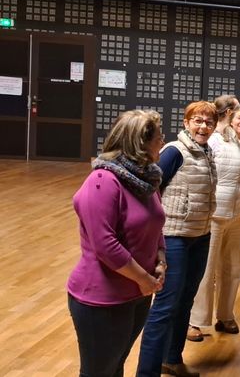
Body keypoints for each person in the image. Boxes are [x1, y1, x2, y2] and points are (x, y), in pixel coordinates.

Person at [67, 110, 166, 377]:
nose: (162, 142)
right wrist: (144, 279)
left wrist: (161, 259)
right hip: (102, 299)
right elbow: (105, 245)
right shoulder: (102, 181)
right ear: (140, 144)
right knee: (99, 371)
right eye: (158, 137)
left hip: (138, 292)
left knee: (115, 366)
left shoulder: (147, 179)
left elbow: (156, 223)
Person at [137, 102, 218, 377]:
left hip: (200, 235)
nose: (203, 126)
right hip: (174, 238)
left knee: (186, 301)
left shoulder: (207, 153)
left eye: (209, 122)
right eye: (198, 121)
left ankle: (172, 359)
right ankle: (147, 372)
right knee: (165, 305)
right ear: (186, 122)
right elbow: (149, 191)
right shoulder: (174, 151)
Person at [190, 104, 240, 337]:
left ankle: (225, 315)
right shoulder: (216, 141)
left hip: (238, 214)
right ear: (231, 119)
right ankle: (195, 321)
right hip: (214, 214)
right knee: (207, 269)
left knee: (231, 268)